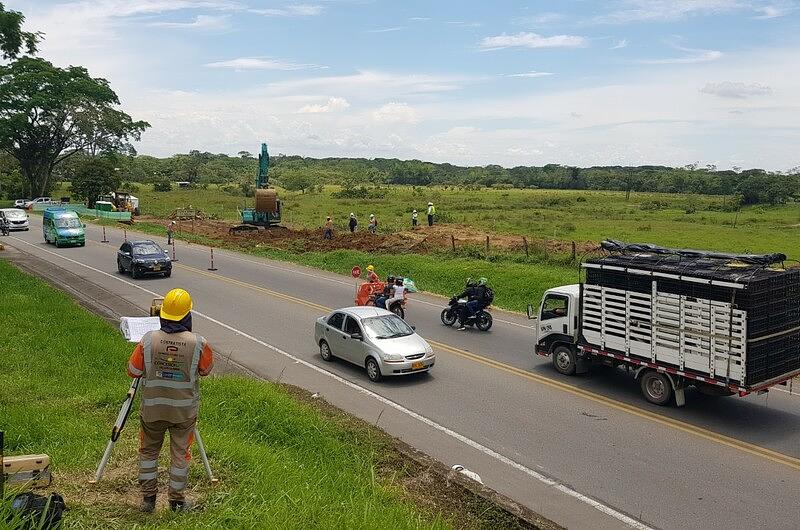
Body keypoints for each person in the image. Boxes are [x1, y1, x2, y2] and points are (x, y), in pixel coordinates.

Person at [127, 288, 214, 513]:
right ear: (188, 315)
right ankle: (176, 501)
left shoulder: (147, 340)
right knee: (180, 455)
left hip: (153, 411)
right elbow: (205, 370)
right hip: (183, 414)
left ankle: (148, 501)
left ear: (162, 314)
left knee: (148, 452)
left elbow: (133, 370)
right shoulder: (199, 343)